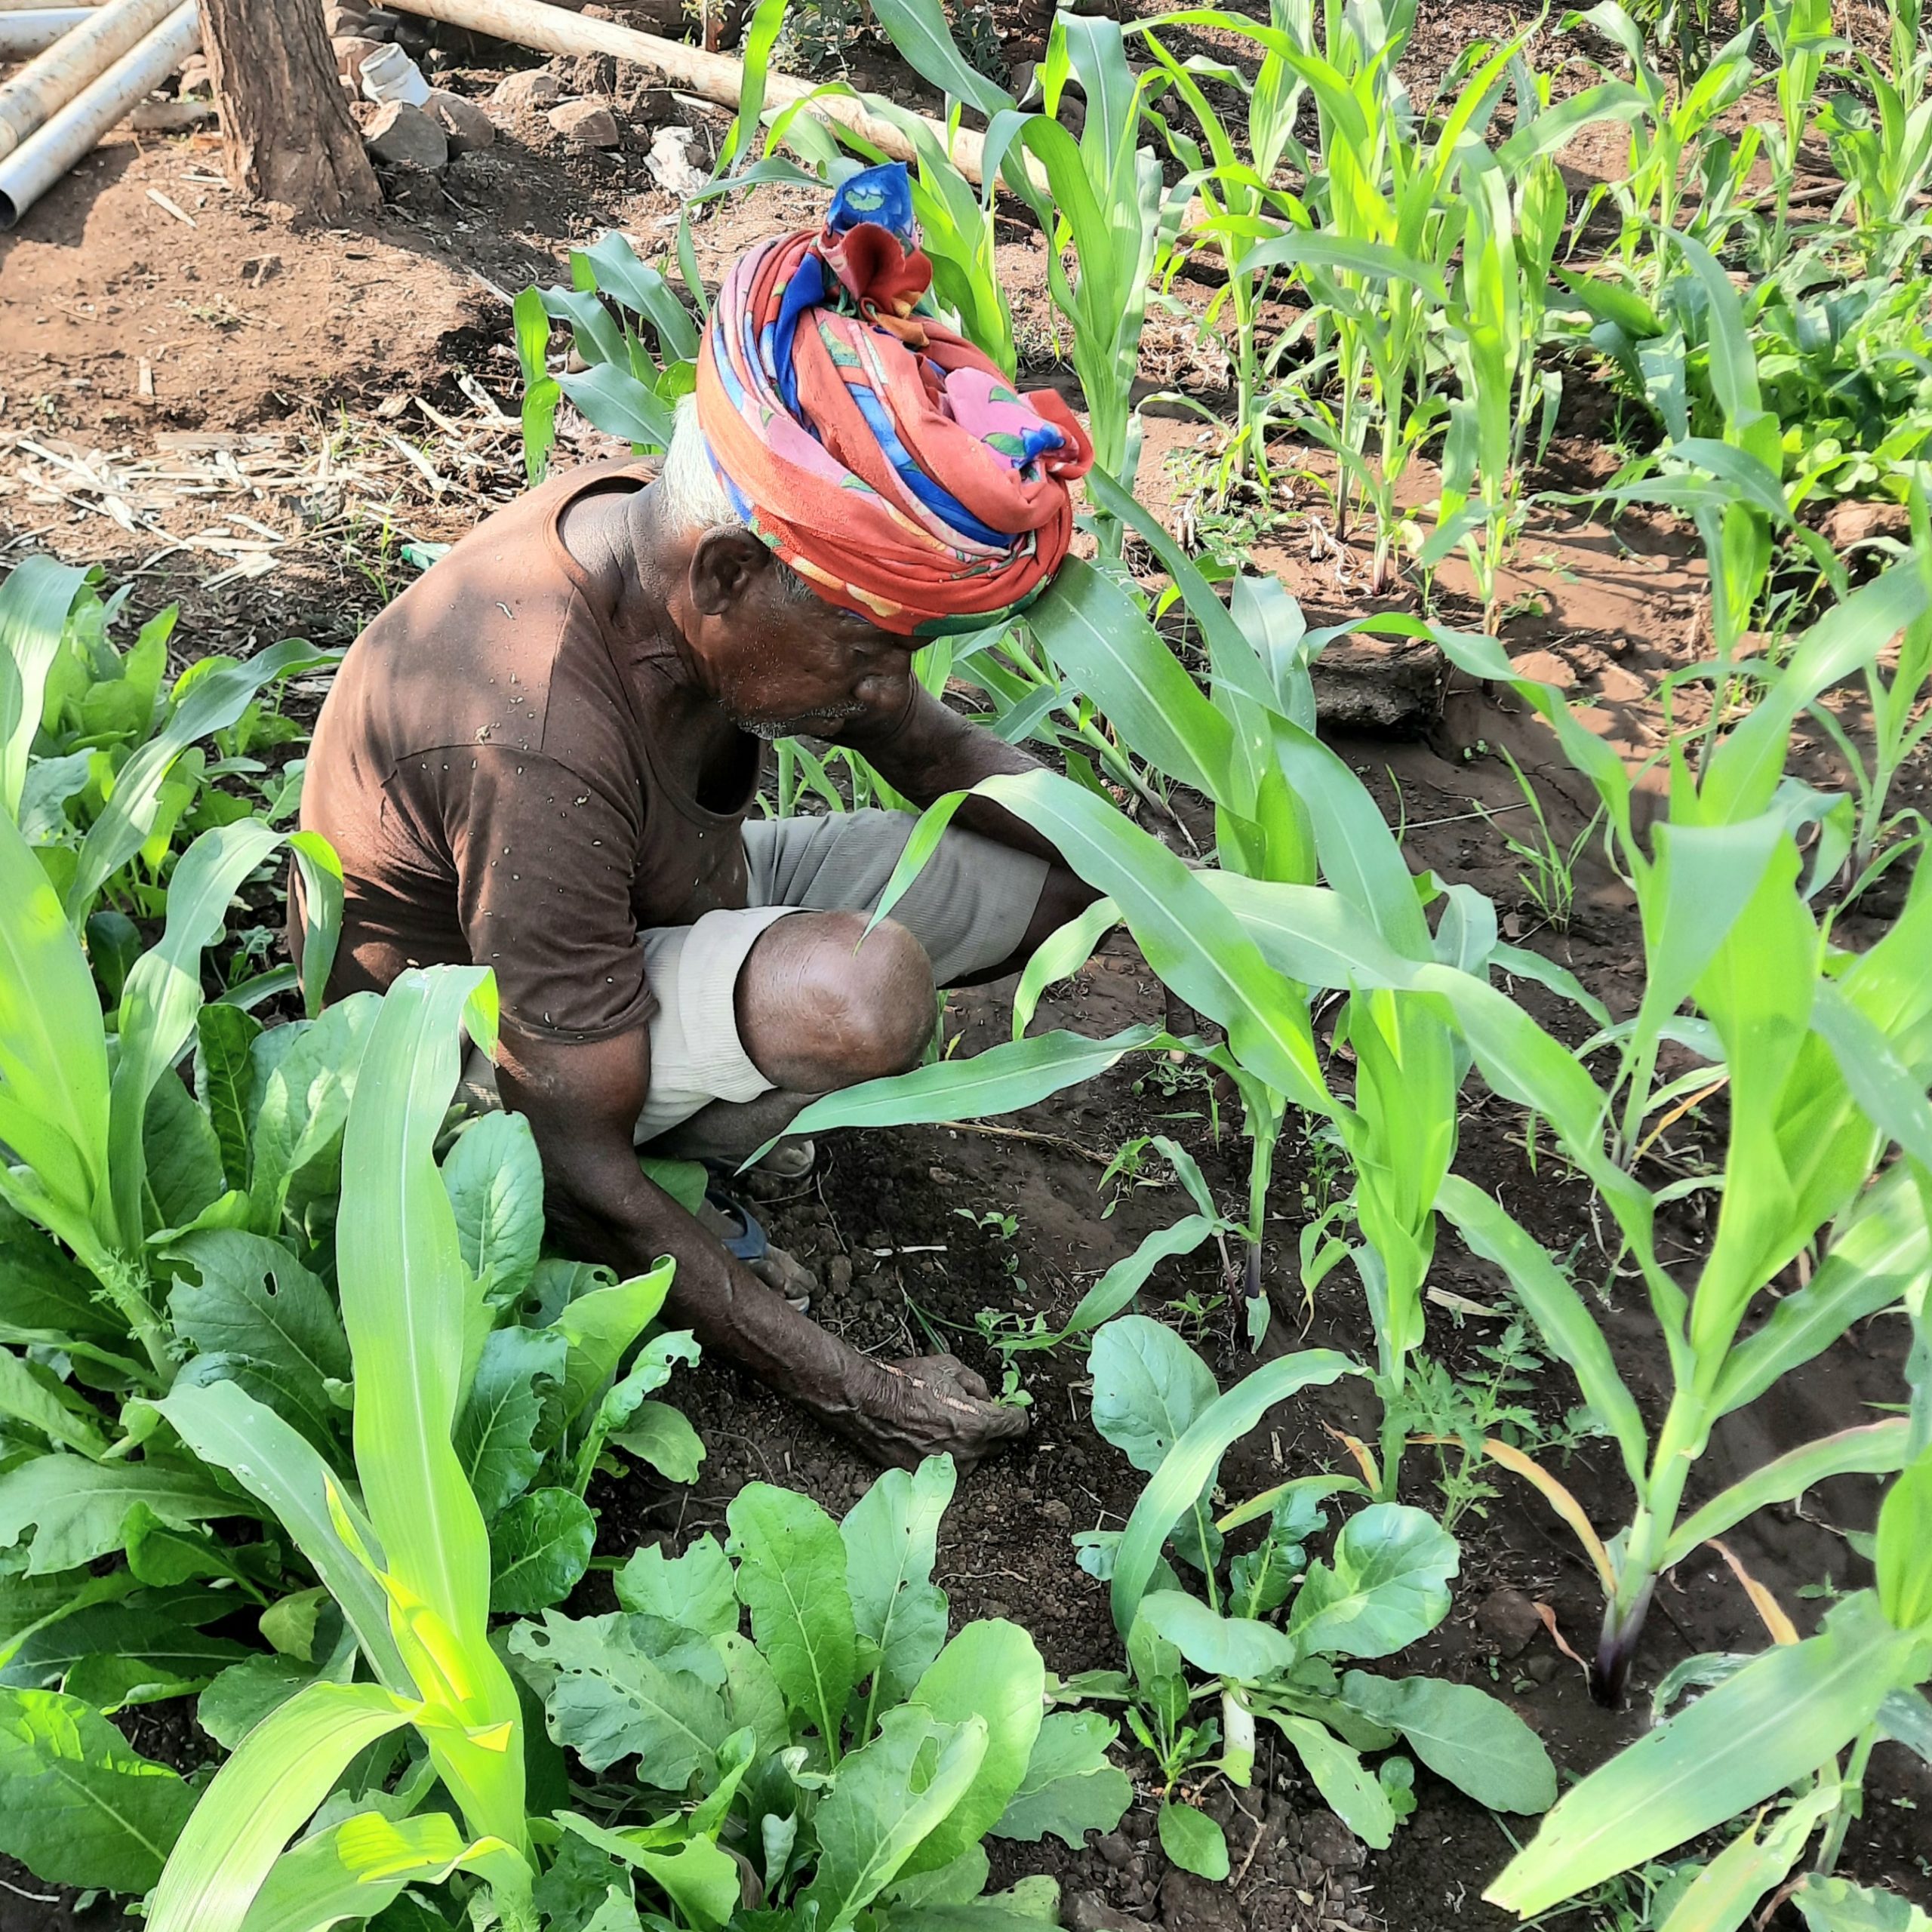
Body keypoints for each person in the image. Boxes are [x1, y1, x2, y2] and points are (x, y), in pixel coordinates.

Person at [300, 163, 1098, 1469]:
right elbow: (584, 1160)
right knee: (857, 991)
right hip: (471, 1042)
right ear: (730, 576)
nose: (888, 682)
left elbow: (932, 744)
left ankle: (739, 1087)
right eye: (873, 644)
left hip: (647, 899)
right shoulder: (537, 728)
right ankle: (724, 1171)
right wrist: (861, 1390)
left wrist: (1195, 904)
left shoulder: (691, 558)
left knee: (1031, 876)